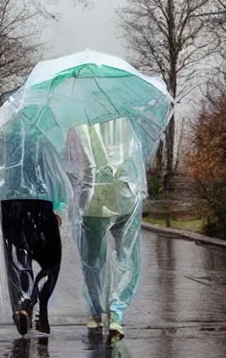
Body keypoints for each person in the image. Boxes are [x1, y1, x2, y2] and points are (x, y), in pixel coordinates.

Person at [66, 117, 146, 341]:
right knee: (126, 256)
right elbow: (137, 156)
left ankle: (95, 311)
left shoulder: (80, 119)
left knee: (92, 260)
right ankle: (117, 314)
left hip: (94, 198)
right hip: (126, 194)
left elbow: (78, 164)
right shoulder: (127, 116)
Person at [0, 124, 70, 336]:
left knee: (18, 258)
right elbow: (53, 170)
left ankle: (23, 302)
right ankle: (38, 302)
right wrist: (58, 205)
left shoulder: (5, 133)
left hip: (11, 200)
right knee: (51, 260)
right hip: (41, 200)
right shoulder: (46, 133)